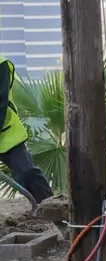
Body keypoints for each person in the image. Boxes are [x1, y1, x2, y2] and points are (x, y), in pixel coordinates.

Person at [0, 56, 53, 204]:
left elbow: (0, 103)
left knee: (26, 173)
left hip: (6, 134)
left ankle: (51, 207)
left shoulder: (1, 64)